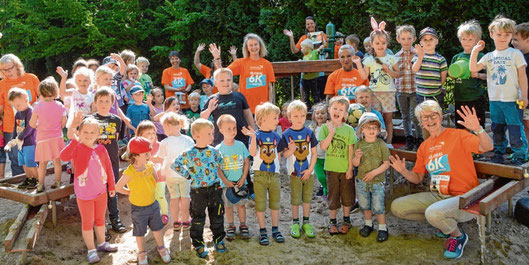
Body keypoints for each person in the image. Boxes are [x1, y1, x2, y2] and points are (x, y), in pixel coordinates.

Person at [389, 100, 493, 259]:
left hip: (466, 198)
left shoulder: (458, 135)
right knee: (397, 207)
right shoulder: (424, 147)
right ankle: (444, 223)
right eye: (425, 118)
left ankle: (457, 236)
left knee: (433, 213)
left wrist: (478, 129)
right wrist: (403, 170)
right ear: (421, 122)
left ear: (441, 116)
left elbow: (487, 147)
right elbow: (417, 178)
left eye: (433, 115)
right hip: (439, 195)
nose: (430, 120)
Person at [470, 15, 528, 165]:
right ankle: (499, 153)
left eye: (507, 35)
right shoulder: (489, 56)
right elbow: (474, 69)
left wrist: (525, 96)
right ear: (492, 34)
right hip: (495, 101)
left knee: (515, 129)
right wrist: (475, 51)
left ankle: (520, 155)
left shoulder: (516, 54)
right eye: (499, 34)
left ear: (511, 35)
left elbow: (522, 77)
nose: (503, 38)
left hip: (512, 100)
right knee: (497, 129)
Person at [62, 115, 118, 264]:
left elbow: (108, 168)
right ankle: (91, 250)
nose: (88, 135)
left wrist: (111, 186)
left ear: (98, 134)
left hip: (101, 191)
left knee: (100, 219)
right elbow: (63, 155)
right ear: (79, 133)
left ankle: (101, 244)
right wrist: (74, 139)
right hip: (84, 194)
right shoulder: (77, 147)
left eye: (92, 132)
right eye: (85, 132)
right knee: (87, 222)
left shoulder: (101, 149)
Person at [171, 119, 227, 258]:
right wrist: (189, 176)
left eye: (212, 134)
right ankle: (198, 243)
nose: (212, 137)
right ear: (196, 135)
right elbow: (175, 165)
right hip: (198, 192)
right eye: (208, 134)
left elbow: (222, 164)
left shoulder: (215, 152)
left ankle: (218, 240)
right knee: (198, 218)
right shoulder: (189, 153)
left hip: (214, 189)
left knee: (217, 216)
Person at [116, 137, 171, 264]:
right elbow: (118, 187)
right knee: (140, 232)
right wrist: (129, 192)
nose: (149, 155)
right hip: (138, 208)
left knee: (157, 228)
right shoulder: (129, 172)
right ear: (135, 156)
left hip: (153, 204)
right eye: (146, 153)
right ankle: (141, 253)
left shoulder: (150, 166)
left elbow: (155, 179)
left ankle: (161, 248)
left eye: (149, 153)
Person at [241, 102, 288, 246]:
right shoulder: (255, 135)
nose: (277, 121)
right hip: (260, 174)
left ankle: (275, 229)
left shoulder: (276, 136)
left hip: (274, 174)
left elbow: (281, 154)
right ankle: (262, 230)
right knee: (260, 204)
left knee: (275, 203)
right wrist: (253, 138)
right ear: (262, 119)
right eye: (274, 118)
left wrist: (290, 149)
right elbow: (252, 152)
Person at [90, 87, 127, 236]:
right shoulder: (90, 120)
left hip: (111, 161)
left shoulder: (117, 120)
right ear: (95, 102)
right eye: (101, 101)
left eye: (107, 101)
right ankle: (100, 223)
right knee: (98, 193)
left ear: (112, 102)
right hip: (95, 163)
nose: (104, 104)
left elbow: (117, 139)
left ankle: (115, 219)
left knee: (112, 189)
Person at [318, 96, 357, 235]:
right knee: (333, 196)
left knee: (347, 195)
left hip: (345, 168)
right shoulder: (324, 128)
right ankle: (332, 221)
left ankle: (346, 220)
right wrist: (331, 133)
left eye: (341, 109)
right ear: (329, 110)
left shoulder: (349, 130)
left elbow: (351, 150)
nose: (337, 111)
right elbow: (323, 146)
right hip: (331, 169)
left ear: (345, 114)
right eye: (335, 108)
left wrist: (350, 168)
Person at [280, 100, 318, 239]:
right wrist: (290, 150)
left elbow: (314, 153)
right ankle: (295, 222)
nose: (299, 119)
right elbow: (284, 154)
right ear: (289, 117)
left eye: (302, 115)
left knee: (307, 199)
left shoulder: (309, 132)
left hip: (309, 172)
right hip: (294, 173)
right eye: (295, 116)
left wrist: (310, 170)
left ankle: (306, 222)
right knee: (296, 199)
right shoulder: (286, 134)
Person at [360, 17, 400, 145]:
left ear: (387, 43)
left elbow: (398, 74)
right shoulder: (368, 60)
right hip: (374, 93)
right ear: (372, 44)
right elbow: (364, 77)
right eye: (377, 43)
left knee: (388, 119)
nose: (380, 45)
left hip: (388, 92)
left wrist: (388, 71)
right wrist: (358, 64)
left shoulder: (391, 58)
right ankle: (375, 142)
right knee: (375, 118)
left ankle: (388, 142)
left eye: (383, 43)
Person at [0, 54, 39, 177]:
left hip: (33, 125)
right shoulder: (2, 84)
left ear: (17, 66)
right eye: (3, 70)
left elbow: (43, 97)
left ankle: (36, 183)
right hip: (11, 127)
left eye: (9, 68)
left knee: (32, 157)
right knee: (16, 159)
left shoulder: (31, 78)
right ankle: (20, 188)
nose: (7, 72)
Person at [352, 112, 390, 242]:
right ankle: (368, 224)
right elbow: (355, 164)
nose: (371, 130)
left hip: (378, 181)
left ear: (379, 130)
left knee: (378, 206)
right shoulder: (358, 144)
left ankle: (383, 228)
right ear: (362, 129)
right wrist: (357, 157)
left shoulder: (381, 145)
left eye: (374, 128)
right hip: (362, 181)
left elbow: (386, 164)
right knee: (364, 204)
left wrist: (373, 173)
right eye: (368, 127)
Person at [215, 34, 276, 113]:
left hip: (262, 108)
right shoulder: (241, 63)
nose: (254, 47)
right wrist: (217, 58)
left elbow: (270, 87)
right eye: (250, 45)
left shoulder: (267, 64)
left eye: (255, 44)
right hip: (244, 107)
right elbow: (222, 72)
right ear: (247, 48)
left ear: (260, 45)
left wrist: (270, 104)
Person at [215, 114, 251, 241]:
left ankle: (243, 225)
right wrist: (225, 181)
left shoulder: (240, 145)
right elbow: (218, 167)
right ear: (221, 130)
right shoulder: (218, 149)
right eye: (228, 128)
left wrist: (243, 178)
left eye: (234, 128)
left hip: (240, 183)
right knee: (228, 206)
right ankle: (230, 226)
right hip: (227, 184)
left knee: (241, 205)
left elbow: (247, 162)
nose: (232, 131)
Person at [201, 68, 256, 147]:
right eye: (222, 80)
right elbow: (202, 118)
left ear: (232, 81)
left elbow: (248, 114)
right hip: (220, 140)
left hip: (242, 138)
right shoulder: (212, 99)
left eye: (228, 80)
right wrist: (209, 109)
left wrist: (253, 131)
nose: (226, 83)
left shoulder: (239, 96)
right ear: (215, 83)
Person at [157, 112, 194, 232]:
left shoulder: (165, 142)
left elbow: (160, 159)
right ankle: (186, 220)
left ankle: (176, 221)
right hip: (185, 175)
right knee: (185, 197)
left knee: (174, 198)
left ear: (168, 126)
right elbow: (193, 157)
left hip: (170, 175)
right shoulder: (188, 140)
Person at [29, 77, 66, 192]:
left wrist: (39, 126)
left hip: (43, 138)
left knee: (42, 162)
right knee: (57, 162)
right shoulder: (60, 106)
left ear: (40, 92)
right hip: (57, 137)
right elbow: (64, 123)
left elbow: (31, 123)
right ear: (55, 92)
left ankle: (40, 185)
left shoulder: (38, 106)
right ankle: (58, 182)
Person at [451, 20, 487, 131]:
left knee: (478, 126)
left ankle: (479, 147)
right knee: (461, 126)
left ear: (477, 41)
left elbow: (489, 76)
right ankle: (464, 147)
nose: (466, 42)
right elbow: (451, 76)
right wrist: (453, 74)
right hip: (460, 97)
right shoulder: (457, 57)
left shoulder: (481, 56)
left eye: (470, 39)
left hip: (475, 97)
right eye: (464, 39)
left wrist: (478, 75)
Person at [135, 121, 168, 225]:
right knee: (151, 197)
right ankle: (153, 215)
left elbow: (163, 160)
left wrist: (150, 159)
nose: (151, 135)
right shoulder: (138, 147)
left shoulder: (160, 145)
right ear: (140, 135)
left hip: (160, 176)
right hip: (145, 178)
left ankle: (164, 213)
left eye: (153, 133)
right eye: (148, 133)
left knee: (160, 195)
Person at [394, 25, 420, 150]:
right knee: (405, 116)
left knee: (416, 115)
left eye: (409, 38)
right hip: (401, 90)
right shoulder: (396, 56)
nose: (406, 41)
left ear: (414, 39)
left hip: (415, 90)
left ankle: (419, 139)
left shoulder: (418, 54)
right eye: (403, 38)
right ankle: (408, 139)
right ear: (398, 39)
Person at [6, 88, 38, 188]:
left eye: (18, 105)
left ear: (26, 99)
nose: (16, 107)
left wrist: (20, 137)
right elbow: (16, 128)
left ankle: (37, 180)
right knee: (23, 163)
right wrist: (13, 139)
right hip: (20, 144)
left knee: (30, 163)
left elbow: (30, 127)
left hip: (29, 142)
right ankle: (29, 179)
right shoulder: (18, 114)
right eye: (14, 105)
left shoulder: (31, 112)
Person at [512, 22, 529, 152]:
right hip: (521, 99)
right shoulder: (517, 56)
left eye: (516, 40)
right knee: (524, 124)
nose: (513, 42)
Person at [310, 102, 328, 201]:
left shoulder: (329, 127)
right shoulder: (312, 128)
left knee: (328, 177)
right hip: (317, 158)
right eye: (317, 113)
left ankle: (326, 194)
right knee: (321, 177)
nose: (319, 115)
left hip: (328, 158)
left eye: (322, 113)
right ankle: (326, 188)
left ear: (327, 114)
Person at [299, 39, 324, 108]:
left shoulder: (314, 52)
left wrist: (321, 46)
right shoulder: (304, 56)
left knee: (315, 93)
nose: (301, 50)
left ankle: (317, 106)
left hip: (314, 77)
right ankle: (307, 107)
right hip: (305, 78)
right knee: (305, 94)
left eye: (302, 48)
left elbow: (321, 48)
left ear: (307, 47)